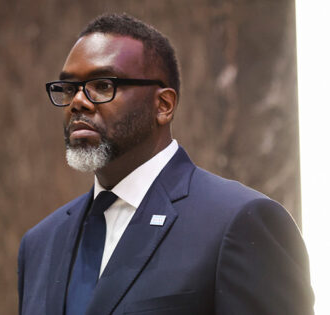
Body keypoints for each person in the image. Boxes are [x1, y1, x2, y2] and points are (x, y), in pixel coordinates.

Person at [17, 13, 314, 315]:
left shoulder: (238, 222)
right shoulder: (40, 243)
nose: (78, 102)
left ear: (164, 105)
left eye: (103, 85)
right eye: (68, 89)